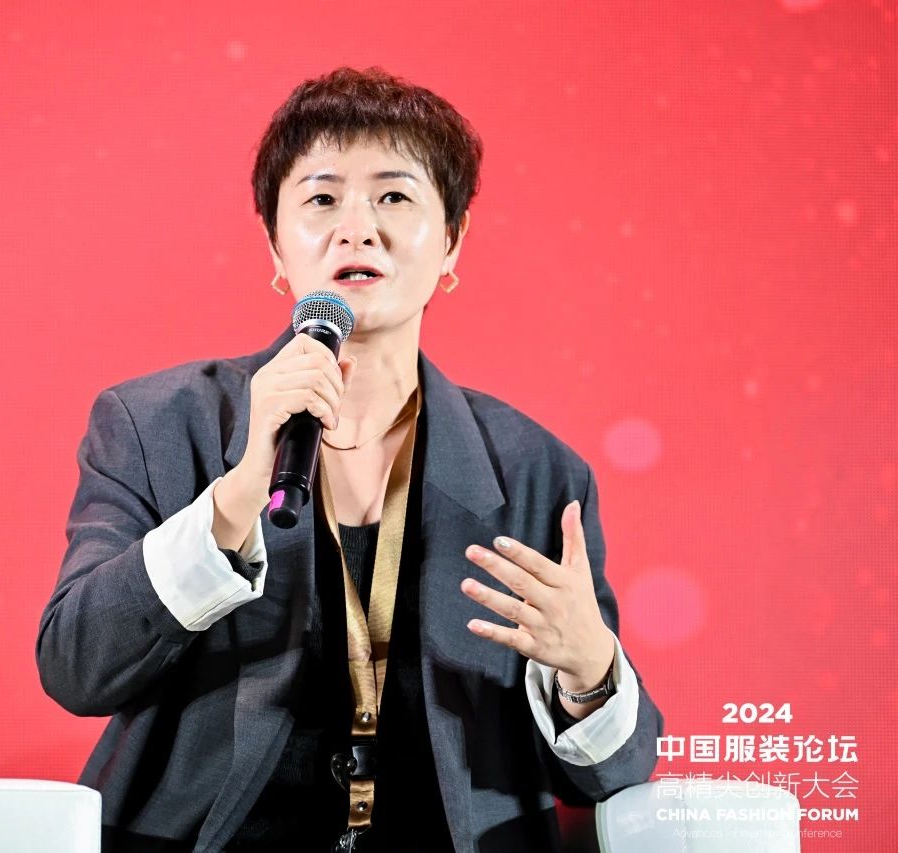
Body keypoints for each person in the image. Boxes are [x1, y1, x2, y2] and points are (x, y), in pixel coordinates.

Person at [36, 66, 663, 852]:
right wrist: (232, 502)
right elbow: (75, 668)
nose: (357, 228)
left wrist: (590, 668)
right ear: (275, 246)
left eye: (394, 197)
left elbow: (612, 776)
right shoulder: (155, 426)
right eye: (322, 199)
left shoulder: (538, 472)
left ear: (452, 243)